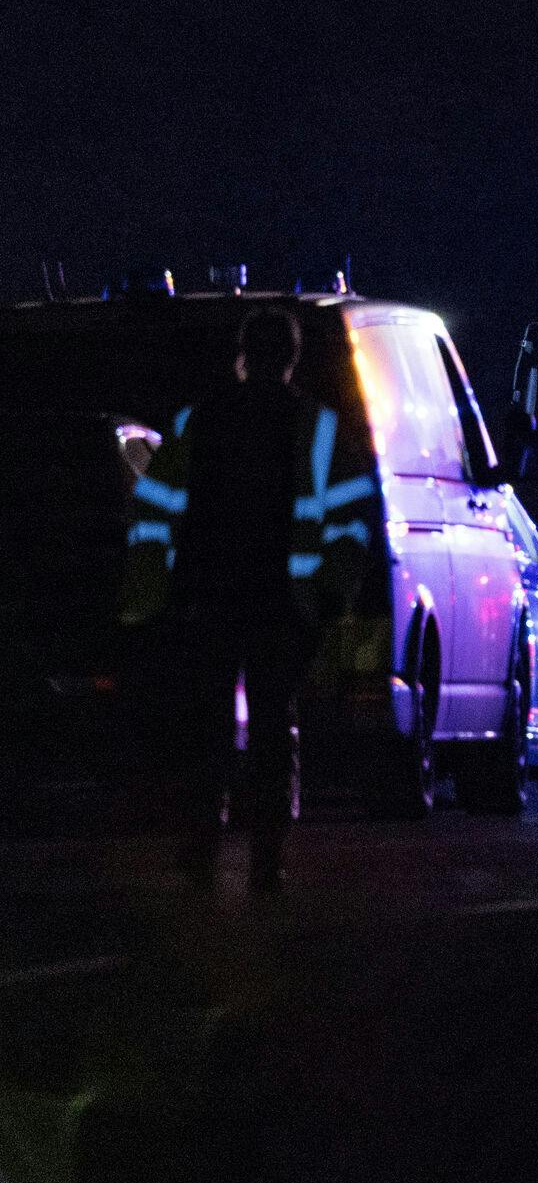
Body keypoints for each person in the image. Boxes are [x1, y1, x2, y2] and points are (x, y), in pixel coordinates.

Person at [121, 307, 376, 893]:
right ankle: (265, 859)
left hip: (208, 598)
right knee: (271, 729)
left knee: (207, 726)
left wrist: (149, 597)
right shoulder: (318, 427)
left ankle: (202, 850)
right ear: (291, 357)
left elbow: (153, 513)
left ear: (243, 353)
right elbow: (351, 520)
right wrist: (335, 595)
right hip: (283, 604)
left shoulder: (199, 421)